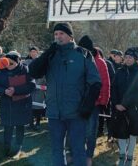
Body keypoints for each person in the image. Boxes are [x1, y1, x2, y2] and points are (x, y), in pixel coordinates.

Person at [28, 22, 101, 166]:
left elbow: (95, 83)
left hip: (77, 113)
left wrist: (86, 107)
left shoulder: (83, 54)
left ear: (70, 36)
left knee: (78, 149)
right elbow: (33, 72)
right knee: (56, 150)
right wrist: (48, 52)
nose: (58, 37)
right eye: (55, 34)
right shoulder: (51, 55)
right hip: (54, 113)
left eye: (61, 34)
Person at [0, 51, 35, 158]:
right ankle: (6, 148)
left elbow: (31, 86)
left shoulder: (25, 70)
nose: (9, 66)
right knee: (7, 127)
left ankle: (17, 147)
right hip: (7, 104)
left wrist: (15, 90)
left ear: (18, 61)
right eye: (7, 63)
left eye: (11, 63)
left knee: (20, 126)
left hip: (21, 104)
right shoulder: (2, 71)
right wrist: (4, 91)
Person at [78, 35, 110, 166]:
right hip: (76, 102)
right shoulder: (76, 59)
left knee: (91, 131)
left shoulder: (100, 62)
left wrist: (104, 101)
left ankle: (89, 155)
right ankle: (77, 153)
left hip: (94, 103)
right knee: (77, 130)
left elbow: (106, 83)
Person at [111, 47, 138, 166]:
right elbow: (113, 88)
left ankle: (130, 156)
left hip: (134, 109)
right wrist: (116, 104)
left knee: (132, 133)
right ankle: (122, 154)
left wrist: (125, 105)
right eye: (126, 57)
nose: (127, 59)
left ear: (136, 59)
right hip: (119, 108)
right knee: (121, 132)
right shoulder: (120, 71)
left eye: (130, 57)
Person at [24, 46, 46, 131]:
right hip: (29, 88)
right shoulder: (26, 62)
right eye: (31, 52)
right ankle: (30, 123)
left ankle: (38, 123)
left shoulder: (41, 62)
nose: (33, 53)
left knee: (38, 107)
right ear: (29, 53)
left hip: (39, 87)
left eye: (35, 51)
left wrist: (40, 84)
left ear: (37, 52)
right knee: (29, 106)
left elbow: (44, 74)